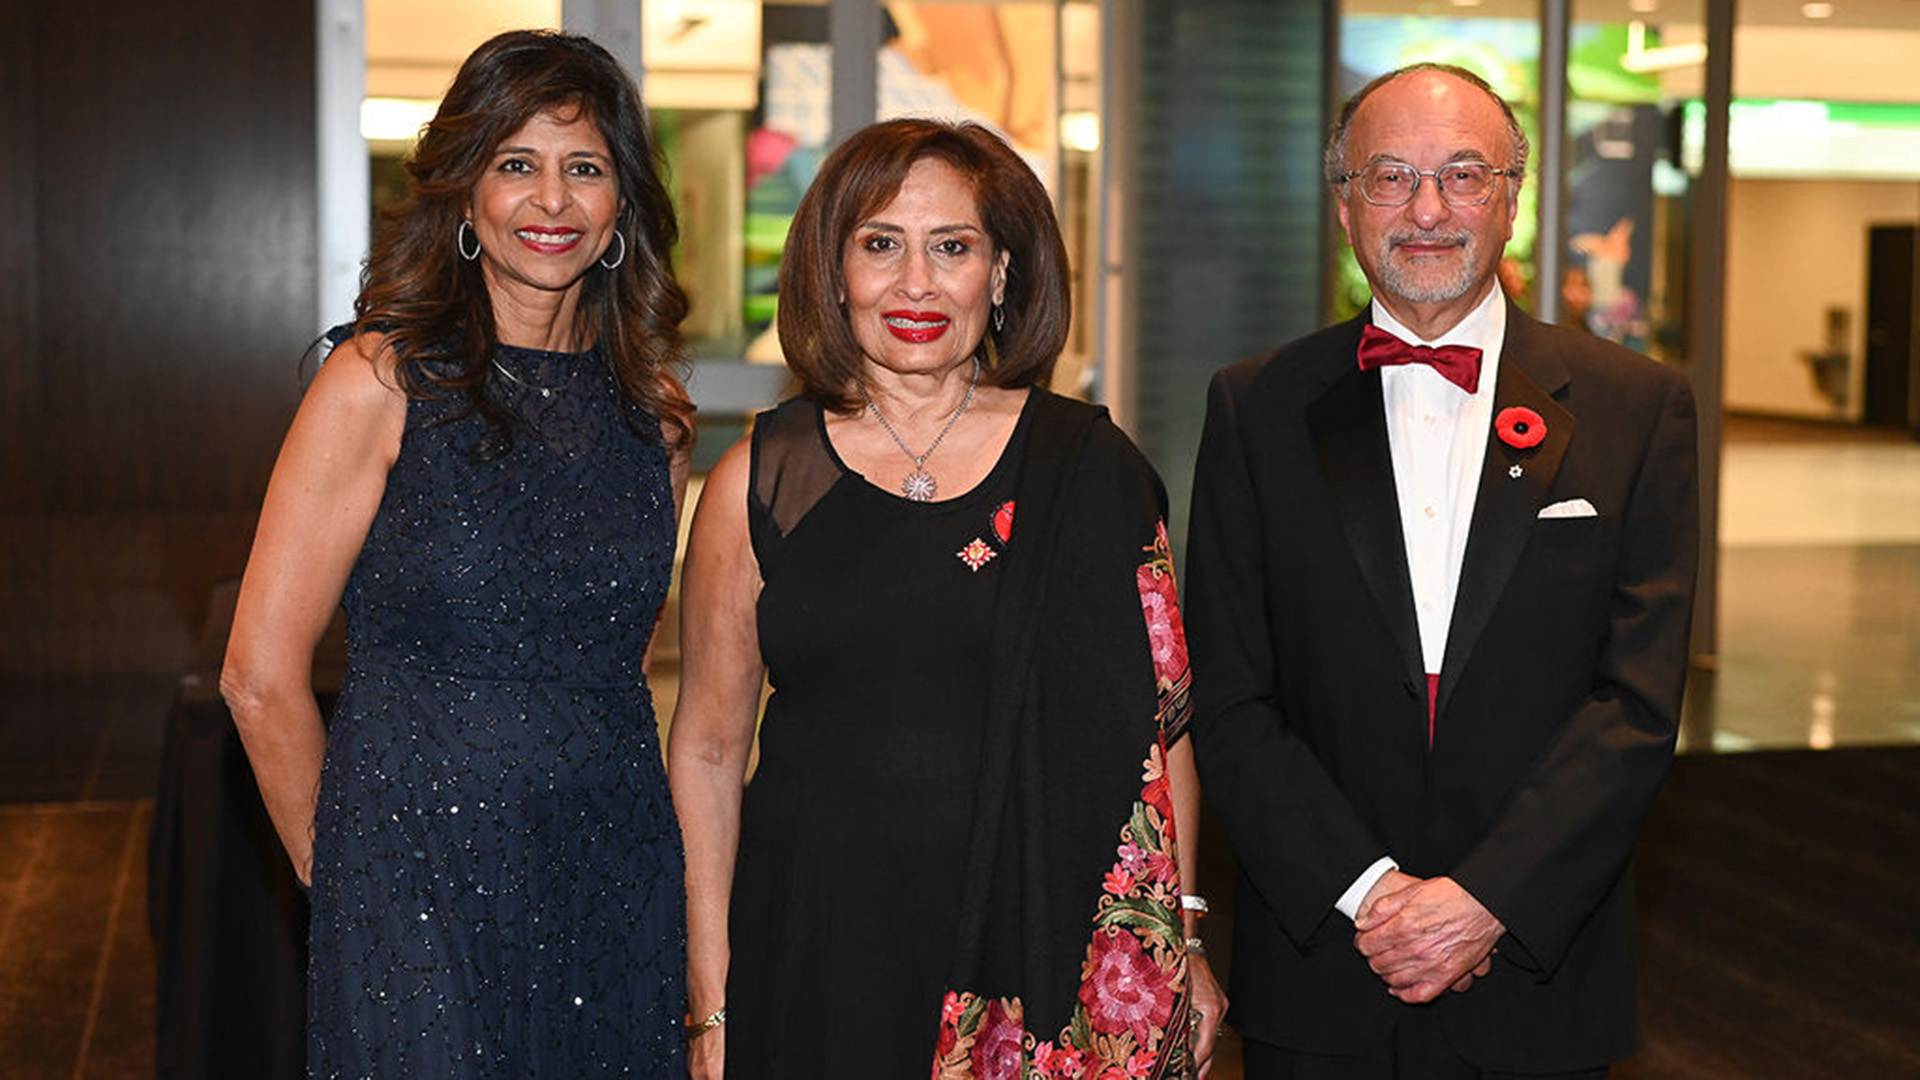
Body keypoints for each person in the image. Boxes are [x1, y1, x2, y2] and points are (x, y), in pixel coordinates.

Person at [667, 118, 1226, 1079]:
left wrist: (1185, 935)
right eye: (881, 244)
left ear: (1001, 274)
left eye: (953, 247)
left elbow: (1161, 729)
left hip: (1035, 941)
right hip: (814, 936)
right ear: (833, 272)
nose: (916, 284)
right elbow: (710, 749)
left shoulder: (1090, 470)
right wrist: (712, 996)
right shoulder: (755, 480)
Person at [1185, 64, 1698, 1079]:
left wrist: (1487, 897)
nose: (1427, 210)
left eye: (1464, 174)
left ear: (1512, 199)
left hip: (1538, 970)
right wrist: (1369, 892)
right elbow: (1232, 696)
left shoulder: (1637, 408)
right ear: (1345, 205)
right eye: (1390, 176)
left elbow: (1637, 704)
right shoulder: (1254, 406)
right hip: (1323, 963)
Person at [220, 29, 694, 1075]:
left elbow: (619, 664)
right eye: (516, 163)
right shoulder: (380, 383)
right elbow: (257, 676)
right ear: (467, 195)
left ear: (622, 205)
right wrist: (350, 888)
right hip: (413, 889)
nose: (552, 200)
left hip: (614, 878)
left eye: (585, 168)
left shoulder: (655, 422)